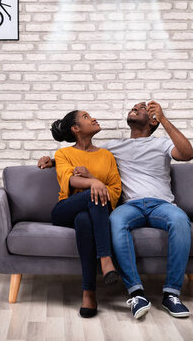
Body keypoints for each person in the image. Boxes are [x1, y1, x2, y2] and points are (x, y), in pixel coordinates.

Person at [38, 101, 193, 320]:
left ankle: (171, 294)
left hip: (162, 204)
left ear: (152, 120)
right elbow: (76, 157)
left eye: (142, 108)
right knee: (112, 218)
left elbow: (187, 154)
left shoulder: (160, 144)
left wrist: (164, 119)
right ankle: (129, 285)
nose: (137, 106)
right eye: (135, 106)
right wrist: (53, 161)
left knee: (179, 220)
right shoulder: (113, 146)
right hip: (126, 206)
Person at [49, 110, 122, 318]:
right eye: (86, 117)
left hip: (94, 212)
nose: (93, 118)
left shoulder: (106, 156)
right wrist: (95, 182)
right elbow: (69, 180)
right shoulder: (63, 154)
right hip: (65, 209)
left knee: (84, 220)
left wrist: (90, 177)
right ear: (76, 128)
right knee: (92, 195)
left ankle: (88, 293)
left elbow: (115, 190)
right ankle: (106, 259)